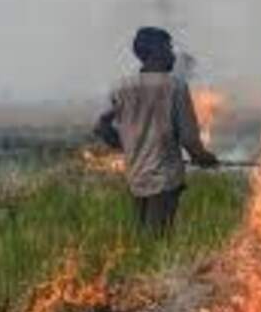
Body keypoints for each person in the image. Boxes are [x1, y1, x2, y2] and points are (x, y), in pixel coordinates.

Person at [94, 27, 219, 233]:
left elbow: (101, 127)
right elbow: (189, 138)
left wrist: (128, 146)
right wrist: (204, 158)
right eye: (168, 48)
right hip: (164, 180)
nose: (173, 55)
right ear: (156, 51)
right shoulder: (175, 86)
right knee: (158, 239)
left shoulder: (121, 88)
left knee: (144, 238)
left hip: (136, 177)